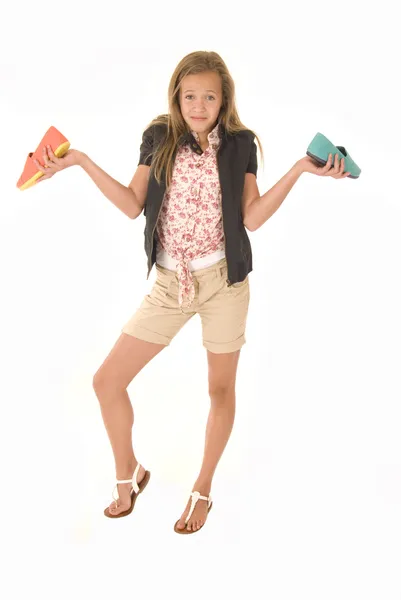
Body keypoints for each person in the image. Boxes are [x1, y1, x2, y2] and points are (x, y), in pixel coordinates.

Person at [33, 50, 350, 534]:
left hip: (224, 283)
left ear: (224, 101)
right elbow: (131, 204)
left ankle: (202, 489)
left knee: (220, 389)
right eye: (189, 96)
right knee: (106, 382)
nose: (198, 105)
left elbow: (252, 217)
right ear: (176, 98)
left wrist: (301, 170)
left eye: (209, 97)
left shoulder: (241, 144)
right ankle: (129, 475)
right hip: (169, 284)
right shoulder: (159, 137)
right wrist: (77, 161)